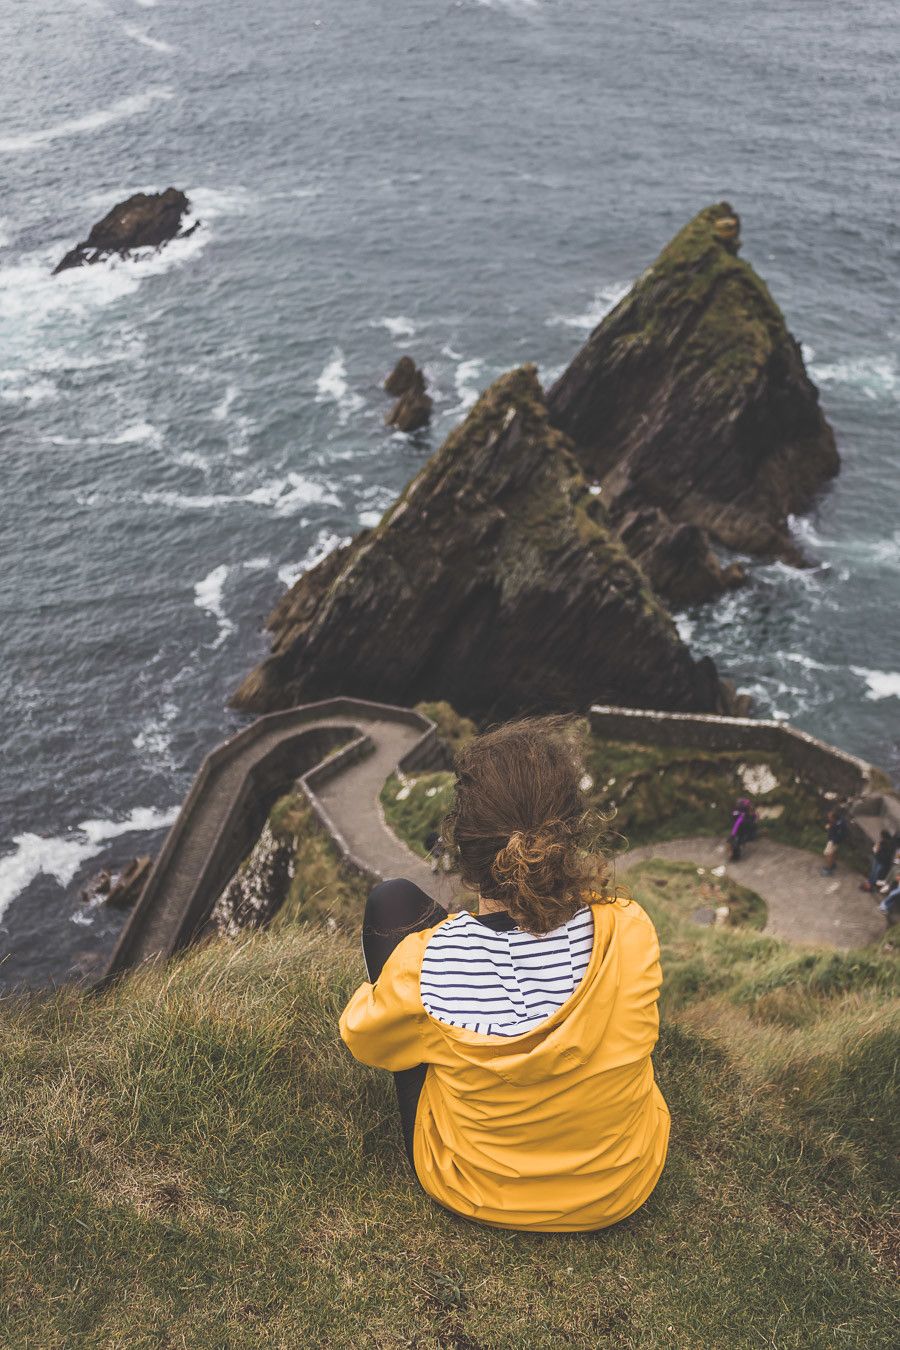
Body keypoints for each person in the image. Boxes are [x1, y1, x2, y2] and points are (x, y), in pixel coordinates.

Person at [339, 715, 670, 1233]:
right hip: (620, 1185)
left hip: (474, 1190)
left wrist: (414, 990)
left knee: (392, 901)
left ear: (465, 851)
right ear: (570, 834)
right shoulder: (627, 929)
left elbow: (362, 1039)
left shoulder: (427, 964)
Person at [821, 804, 849, 876]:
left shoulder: (837, 824)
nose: (829, 818)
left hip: (833, 840)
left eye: (830, 817)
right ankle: (833, 865)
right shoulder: (840, 821)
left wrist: (829, 828)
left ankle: (829, 869)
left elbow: (836, 832)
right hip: (836, 841)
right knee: (833, 853)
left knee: (828, 854)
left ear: (834, 818)